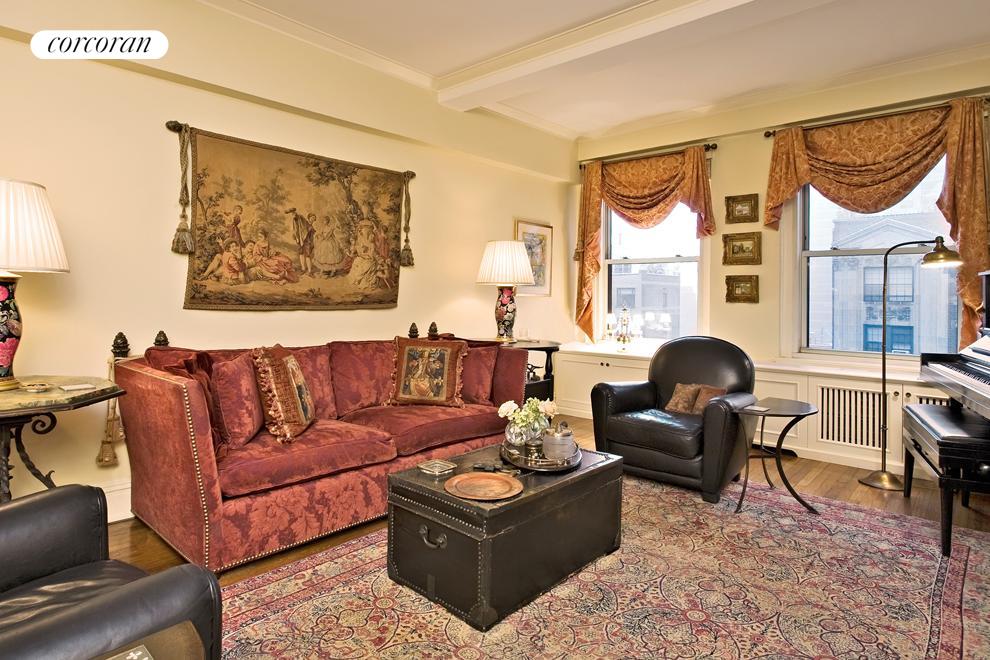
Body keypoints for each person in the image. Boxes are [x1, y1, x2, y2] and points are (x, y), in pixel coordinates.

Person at [286, 208, 316, 276]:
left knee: (308, 256)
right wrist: (295, 213)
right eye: (312, 218)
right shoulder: (305, 222)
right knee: (301, 254)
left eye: (314, 218)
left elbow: (312, 236)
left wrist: (312, 242)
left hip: (308, 242)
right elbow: (299, 218)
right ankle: (303, 269)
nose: (313, 219)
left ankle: (309, 271)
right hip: (302, 241)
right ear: (309, 218)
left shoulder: (311, 227)